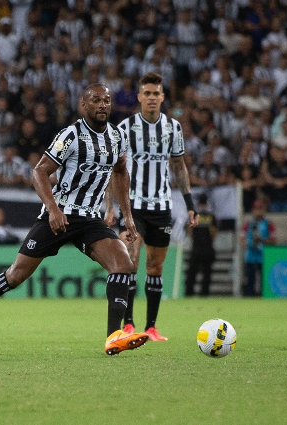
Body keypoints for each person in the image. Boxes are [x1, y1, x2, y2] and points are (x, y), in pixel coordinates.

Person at [0, 84, 149, 357]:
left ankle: (114, 336)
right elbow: (39, 172)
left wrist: (128, 217)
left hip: (90, 219)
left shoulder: (117, 137)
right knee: (15, 275)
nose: (102, 105)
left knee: (123, 263)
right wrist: (52, 209)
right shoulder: (70, 136)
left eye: (106, 101)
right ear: (83, 105)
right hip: (59, 215)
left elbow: (120, 173)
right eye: (95, 100)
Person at [105, 72, 198, 342]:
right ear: (139, 97)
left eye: (156, 93)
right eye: (147, 93)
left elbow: (179, 166)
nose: (152, 98)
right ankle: (129, 324)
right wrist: (110, 207)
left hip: (161, 206)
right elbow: (114, 169)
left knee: (155, 268)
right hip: (132, 206)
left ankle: (152, 327)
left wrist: (190, 204)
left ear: (162, 97)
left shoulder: (173, 128)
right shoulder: (125, 129)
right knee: (130, 261)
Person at [240, 199, 276, 296]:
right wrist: (249, 243)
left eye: (260, 208)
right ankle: (249, 297)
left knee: (263, 281)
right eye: (256, 209)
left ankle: (263, 297)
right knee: (250, 280)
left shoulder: (269, 224)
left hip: (263, 256)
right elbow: (242, 239)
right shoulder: (248, 224)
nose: (258, 211)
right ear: (253, 210)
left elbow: (273, 240)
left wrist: (262, 240)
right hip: (250, 256)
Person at [185, 193, 218, 296]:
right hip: (208, 249)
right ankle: (204, 294)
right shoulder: (211, 217)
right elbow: (214, 233)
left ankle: (189, 294)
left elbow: (189, 232)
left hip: (196, 249)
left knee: (192, 274)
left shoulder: (194, 216)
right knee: (206, 274)